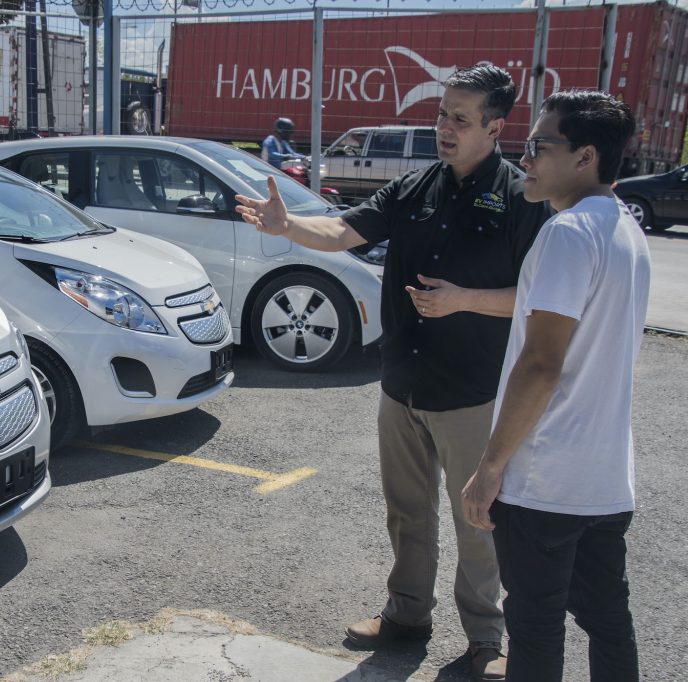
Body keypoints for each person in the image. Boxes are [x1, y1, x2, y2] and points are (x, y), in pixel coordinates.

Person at [235, 65, 552, 682]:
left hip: (473, 393)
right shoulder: (414, 186)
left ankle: (486, 639)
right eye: (441, 114)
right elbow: (343, 229)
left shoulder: (521, 198)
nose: (444, 128)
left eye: (460, 119)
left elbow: (536, 297)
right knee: (406, 511)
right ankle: (407, 615)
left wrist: (463, 300)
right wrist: (287, 225)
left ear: (495, 127)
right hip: (402, 384)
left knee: (478, 521)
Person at [462, 91, 647, 681]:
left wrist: (490, 468)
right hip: (604, 480)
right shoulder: (626, 228)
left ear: (586, 156)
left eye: (539, 146)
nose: (525, 159)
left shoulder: (568, 232)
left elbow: (542, 364)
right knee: (608, 619)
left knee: (536, 627)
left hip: (545, 481)